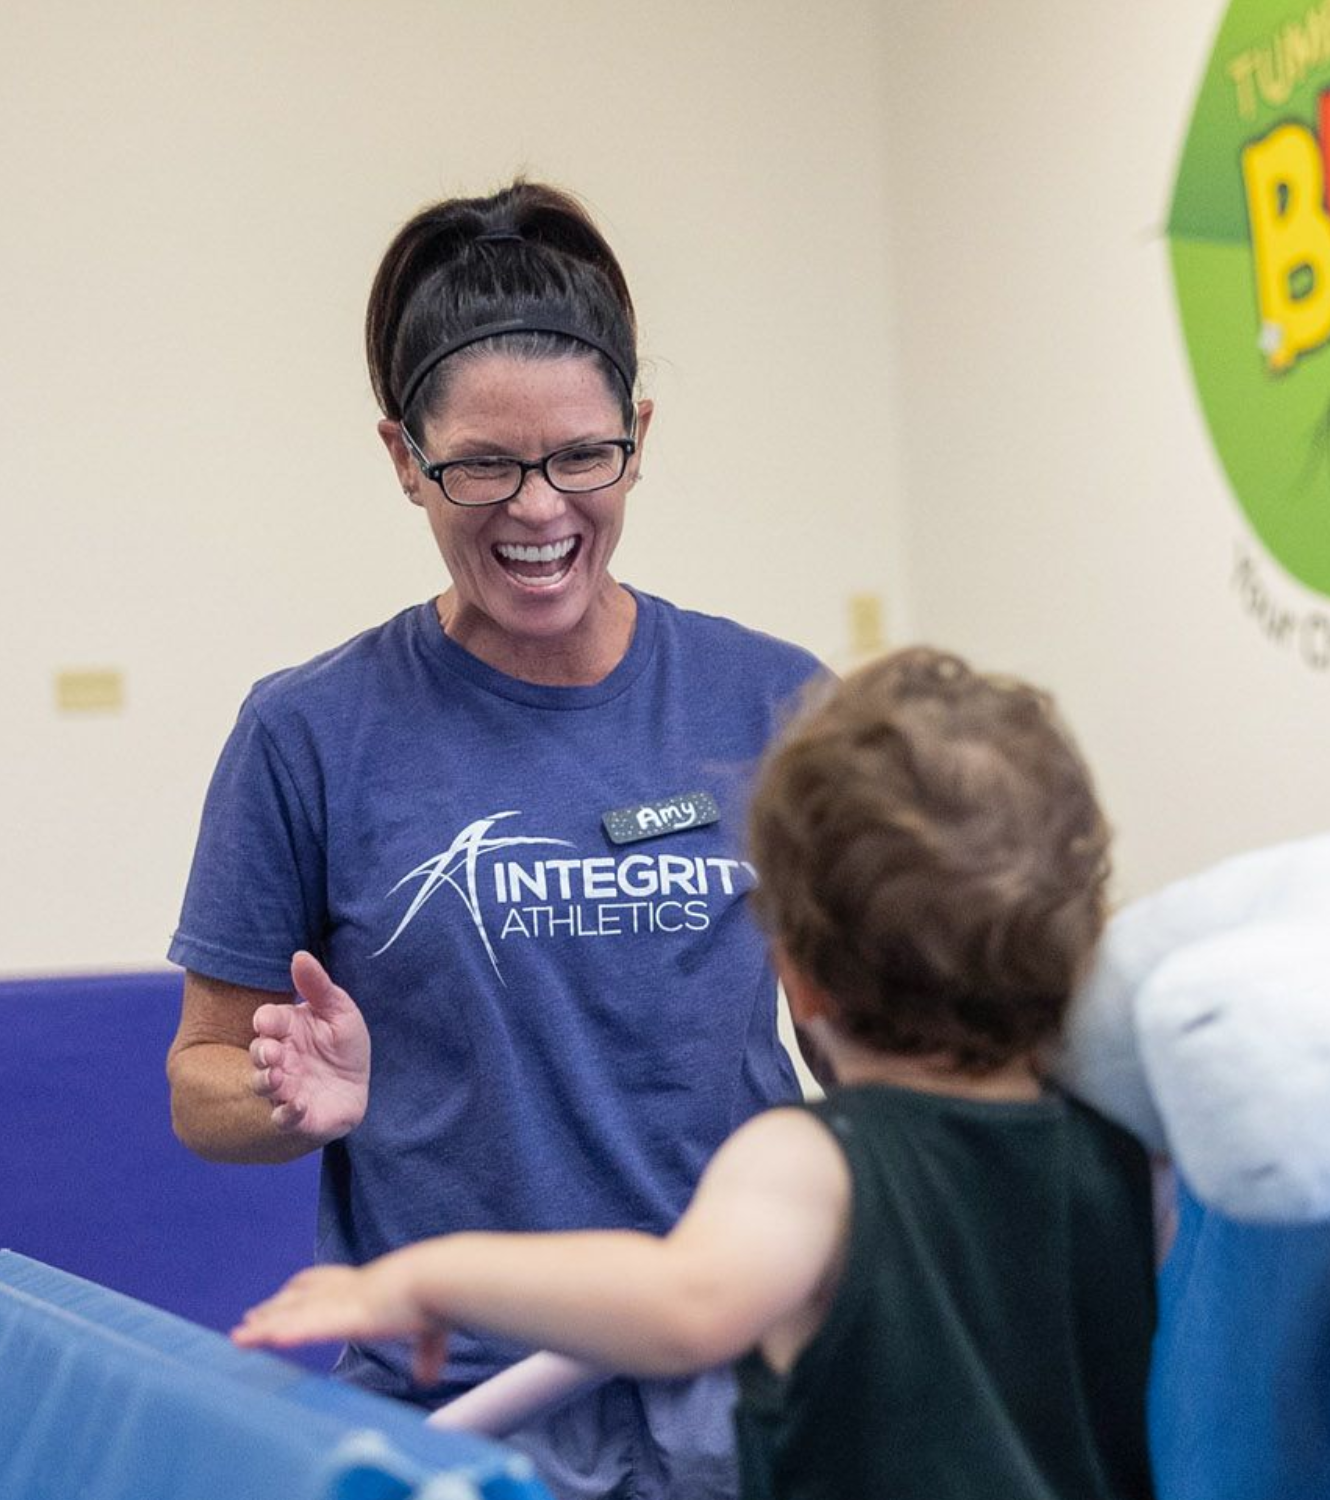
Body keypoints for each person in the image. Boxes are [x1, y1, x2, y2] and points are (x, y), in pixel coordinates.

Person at [166, 180, 826, 1499]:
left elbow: (866, 1052)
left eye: (583, 455)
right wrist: (292, 1099)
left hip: (750, 1396)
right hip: (467, 1415)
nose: (538, 510)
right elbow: (201, 1081)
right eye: (482, 465)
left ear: (637, 433)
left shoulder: (778, 704)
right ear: (403, 456)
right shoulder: (310, 733)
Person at [235, 647, 1159, 1500]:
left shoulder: (815, 1164)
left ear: (793, 966)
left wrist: (430, 1278)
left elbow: (684, 1304)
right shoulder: (1128, 1152)